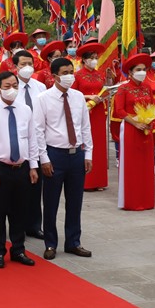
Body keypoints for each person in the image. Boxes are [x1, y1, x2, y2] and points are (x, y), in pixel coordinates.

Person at [33, 57, 93, 260]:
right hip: (54, 154)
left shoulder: (78, 97)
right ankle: (50, 243)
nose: (69, 76)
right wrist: (44, 159)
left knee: (75, 202)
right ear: (54, 75)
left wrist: (88, 153)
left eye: (71, 72)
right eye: (65, 72)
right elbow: (38, 130)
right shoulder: (43, 99)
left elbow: (85, 127)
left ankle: (73, 241)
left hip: (76, 155)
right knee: (50, 202)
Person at [0, 71, 39, 268]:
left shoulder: (25, 110)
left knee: (20, 211)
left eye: (15, 85)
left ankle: (18, 249)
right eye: (7, 86)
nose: (12, 89)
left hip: (22, 167)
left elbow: (32, 139)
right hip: (0, 168)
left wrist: (33, 165)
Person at [112, 54, 155, 211]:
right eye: (138, 70)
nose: (142, 72)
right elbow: (119, 110)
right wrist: (136, 123)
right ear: (130, 73)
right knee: (132, 164)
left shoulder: (147, 87)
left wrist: (150, 121)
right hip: (131, 128)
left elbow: (152, 106)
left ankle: (146, 199)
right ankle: (131, 200)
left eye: (144, 69)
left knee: (146, 164)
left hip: (146, 129)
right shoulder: (123, 88)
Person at [13, 49, 48, 239]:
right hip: (18, 142)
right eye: (23, 64)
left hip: (38, 142)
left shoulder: (40, 87)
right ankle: (17, 225)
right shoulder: (10, 86)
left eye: (30, 64)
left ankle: (34, 225)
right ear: (15, 66)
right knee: (18, 188)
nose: (27, 68)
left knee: (36, 186)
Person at [73, 42, 109, 190]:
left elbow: (104, 90)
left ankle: (99, 180)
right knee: (86, 142)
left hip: (99, 112)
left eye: (96, 57)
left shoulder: (100, 74)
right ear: (84, 60)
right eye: (92, 58)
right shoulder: (77, 75)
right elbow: (73, 95)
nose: (94, 60)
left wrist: (105, 93)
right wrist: (88, 97)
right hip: (86, 111)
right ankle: (87, 181)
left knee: (99, 144)